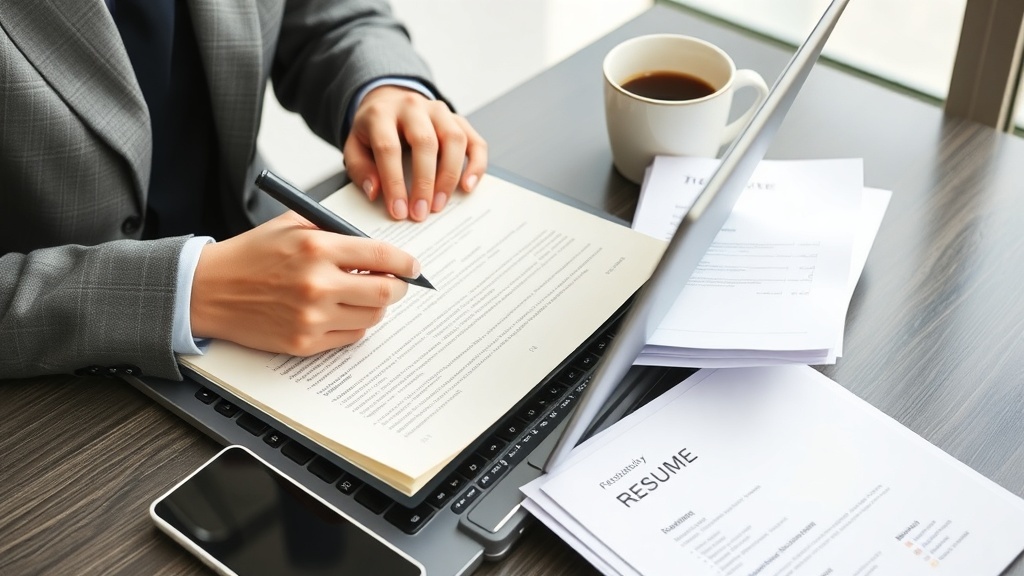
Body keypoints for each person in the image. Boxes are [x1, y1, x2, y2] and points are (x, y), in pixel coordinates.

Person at [0, 0, 487, 381]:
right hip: (55, 402)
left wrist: (383, 86)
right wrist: (181, 291)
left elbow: (328, 18)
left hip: (266, 268)